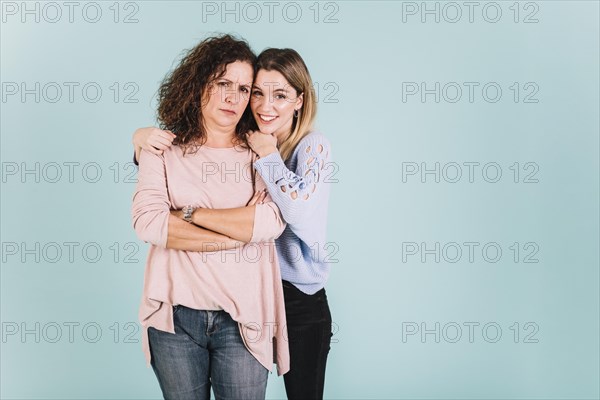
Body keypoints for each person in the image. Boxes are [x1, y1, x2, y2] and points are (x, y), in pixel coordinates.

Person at [133, 47, 334, 400]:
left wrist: (189, 215)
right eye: (228, 84)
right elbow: (150, 223)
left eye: (244, 88)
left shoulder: (271, 151)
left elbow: (275, 222)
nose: (243, 99)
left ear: (300, 100)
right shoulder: (162, 148)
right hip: (184, 312)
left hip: (280, 301)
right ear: (197, 86)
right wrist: (242, 232)